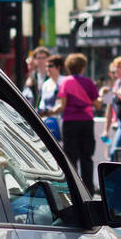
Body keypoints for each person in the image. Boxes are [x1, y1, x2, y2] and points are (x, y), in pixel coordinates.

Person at [43, 53, 101, 190]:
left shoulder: (65, 83)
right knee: (87, 157)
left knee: (71, 158)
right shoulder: (89, 82)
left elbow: (61, 106)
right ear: (83, 68)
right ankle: (88, 189)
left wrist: (49, 112)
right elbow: (98, 105)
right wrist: (102, 97)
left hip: (70, 122)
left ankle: (74, 189)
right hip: (86, 122)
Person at [39, 54, 65, 141]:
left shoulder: (64, 81)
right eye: (46, 66)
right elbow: (42, 103)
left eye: (50, 66)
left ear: (58, 67)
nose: (47, 69)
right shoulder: (46, 84)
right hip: (48, 122)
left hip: (62, 121)